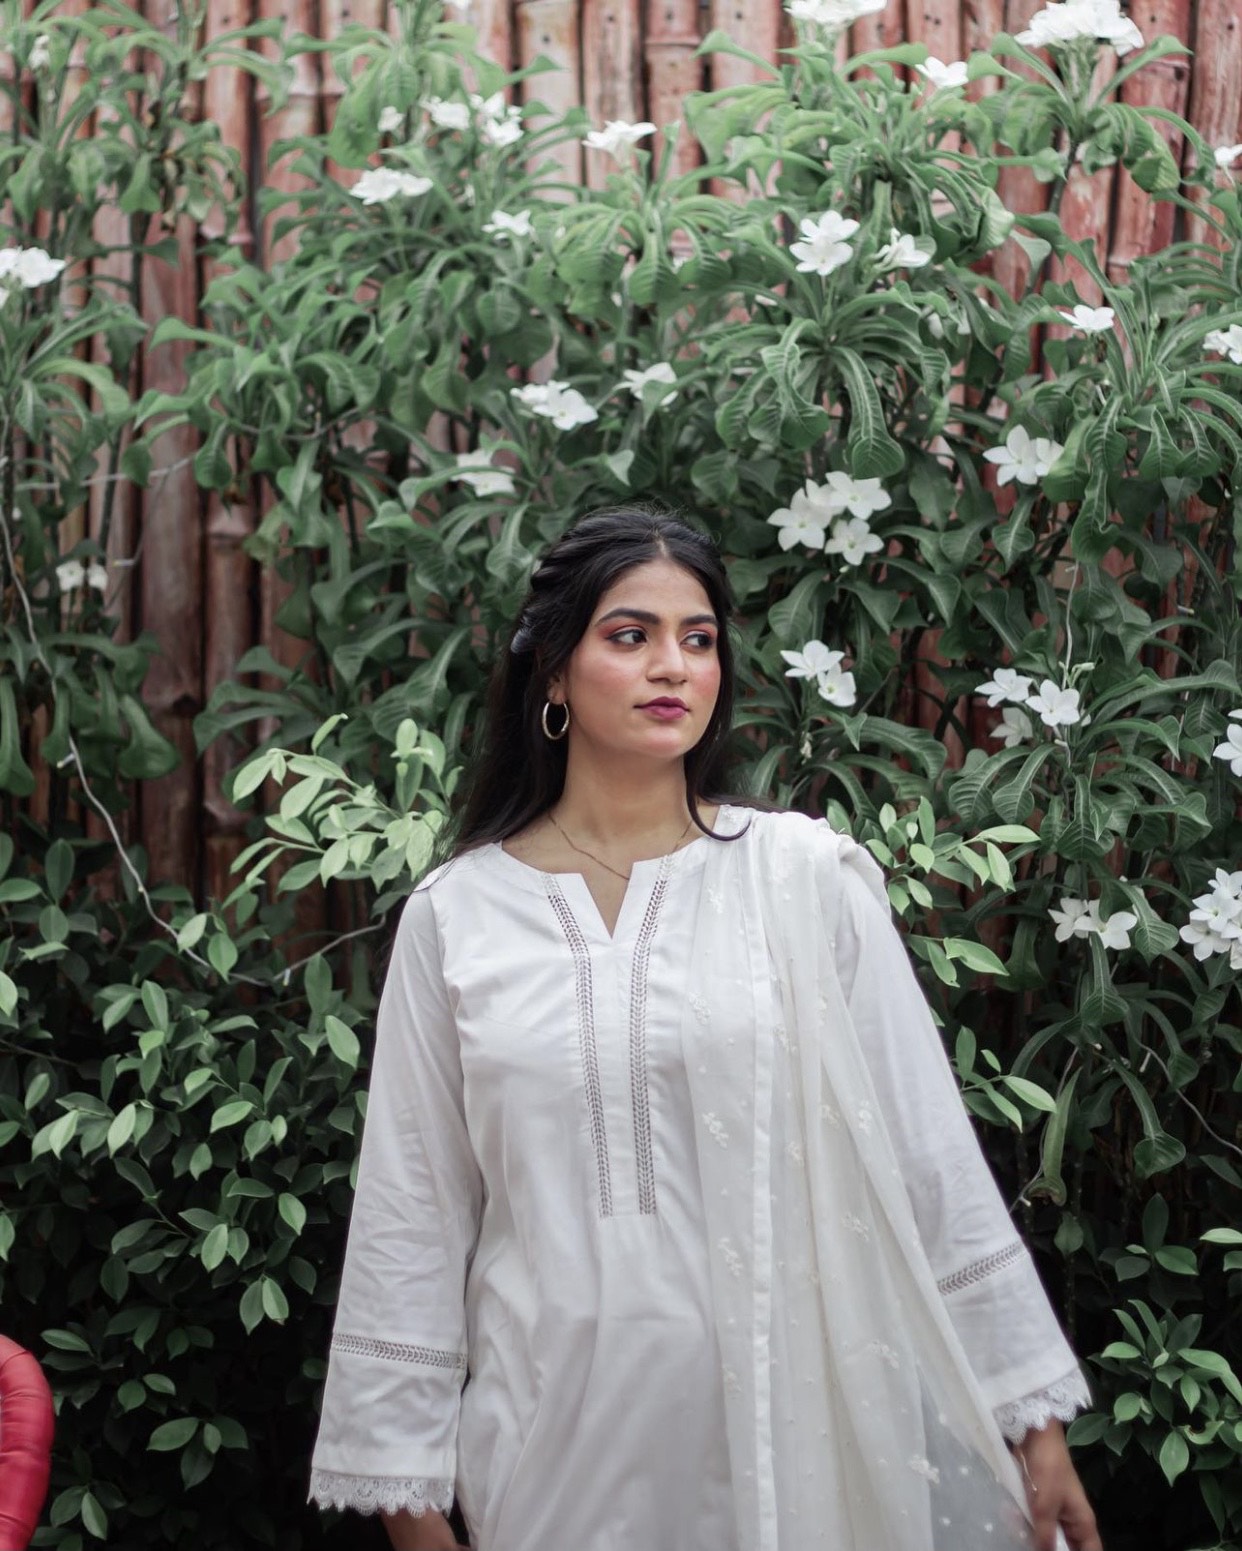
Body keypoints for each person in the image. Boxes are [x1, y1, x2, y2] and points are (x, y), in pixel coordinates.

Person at [309, 507, 1102, 1551]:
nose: (672, 666)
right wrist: (412, 1515)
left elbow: (927, 1155)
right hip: (550, 1453)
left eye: (698, 638)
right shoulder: (457, 918)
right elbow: (413, 1216)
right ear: (554, 671)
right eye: (630, 635)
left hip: (789, 1447)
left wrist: (1032, 1422)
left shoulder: (803, 881)